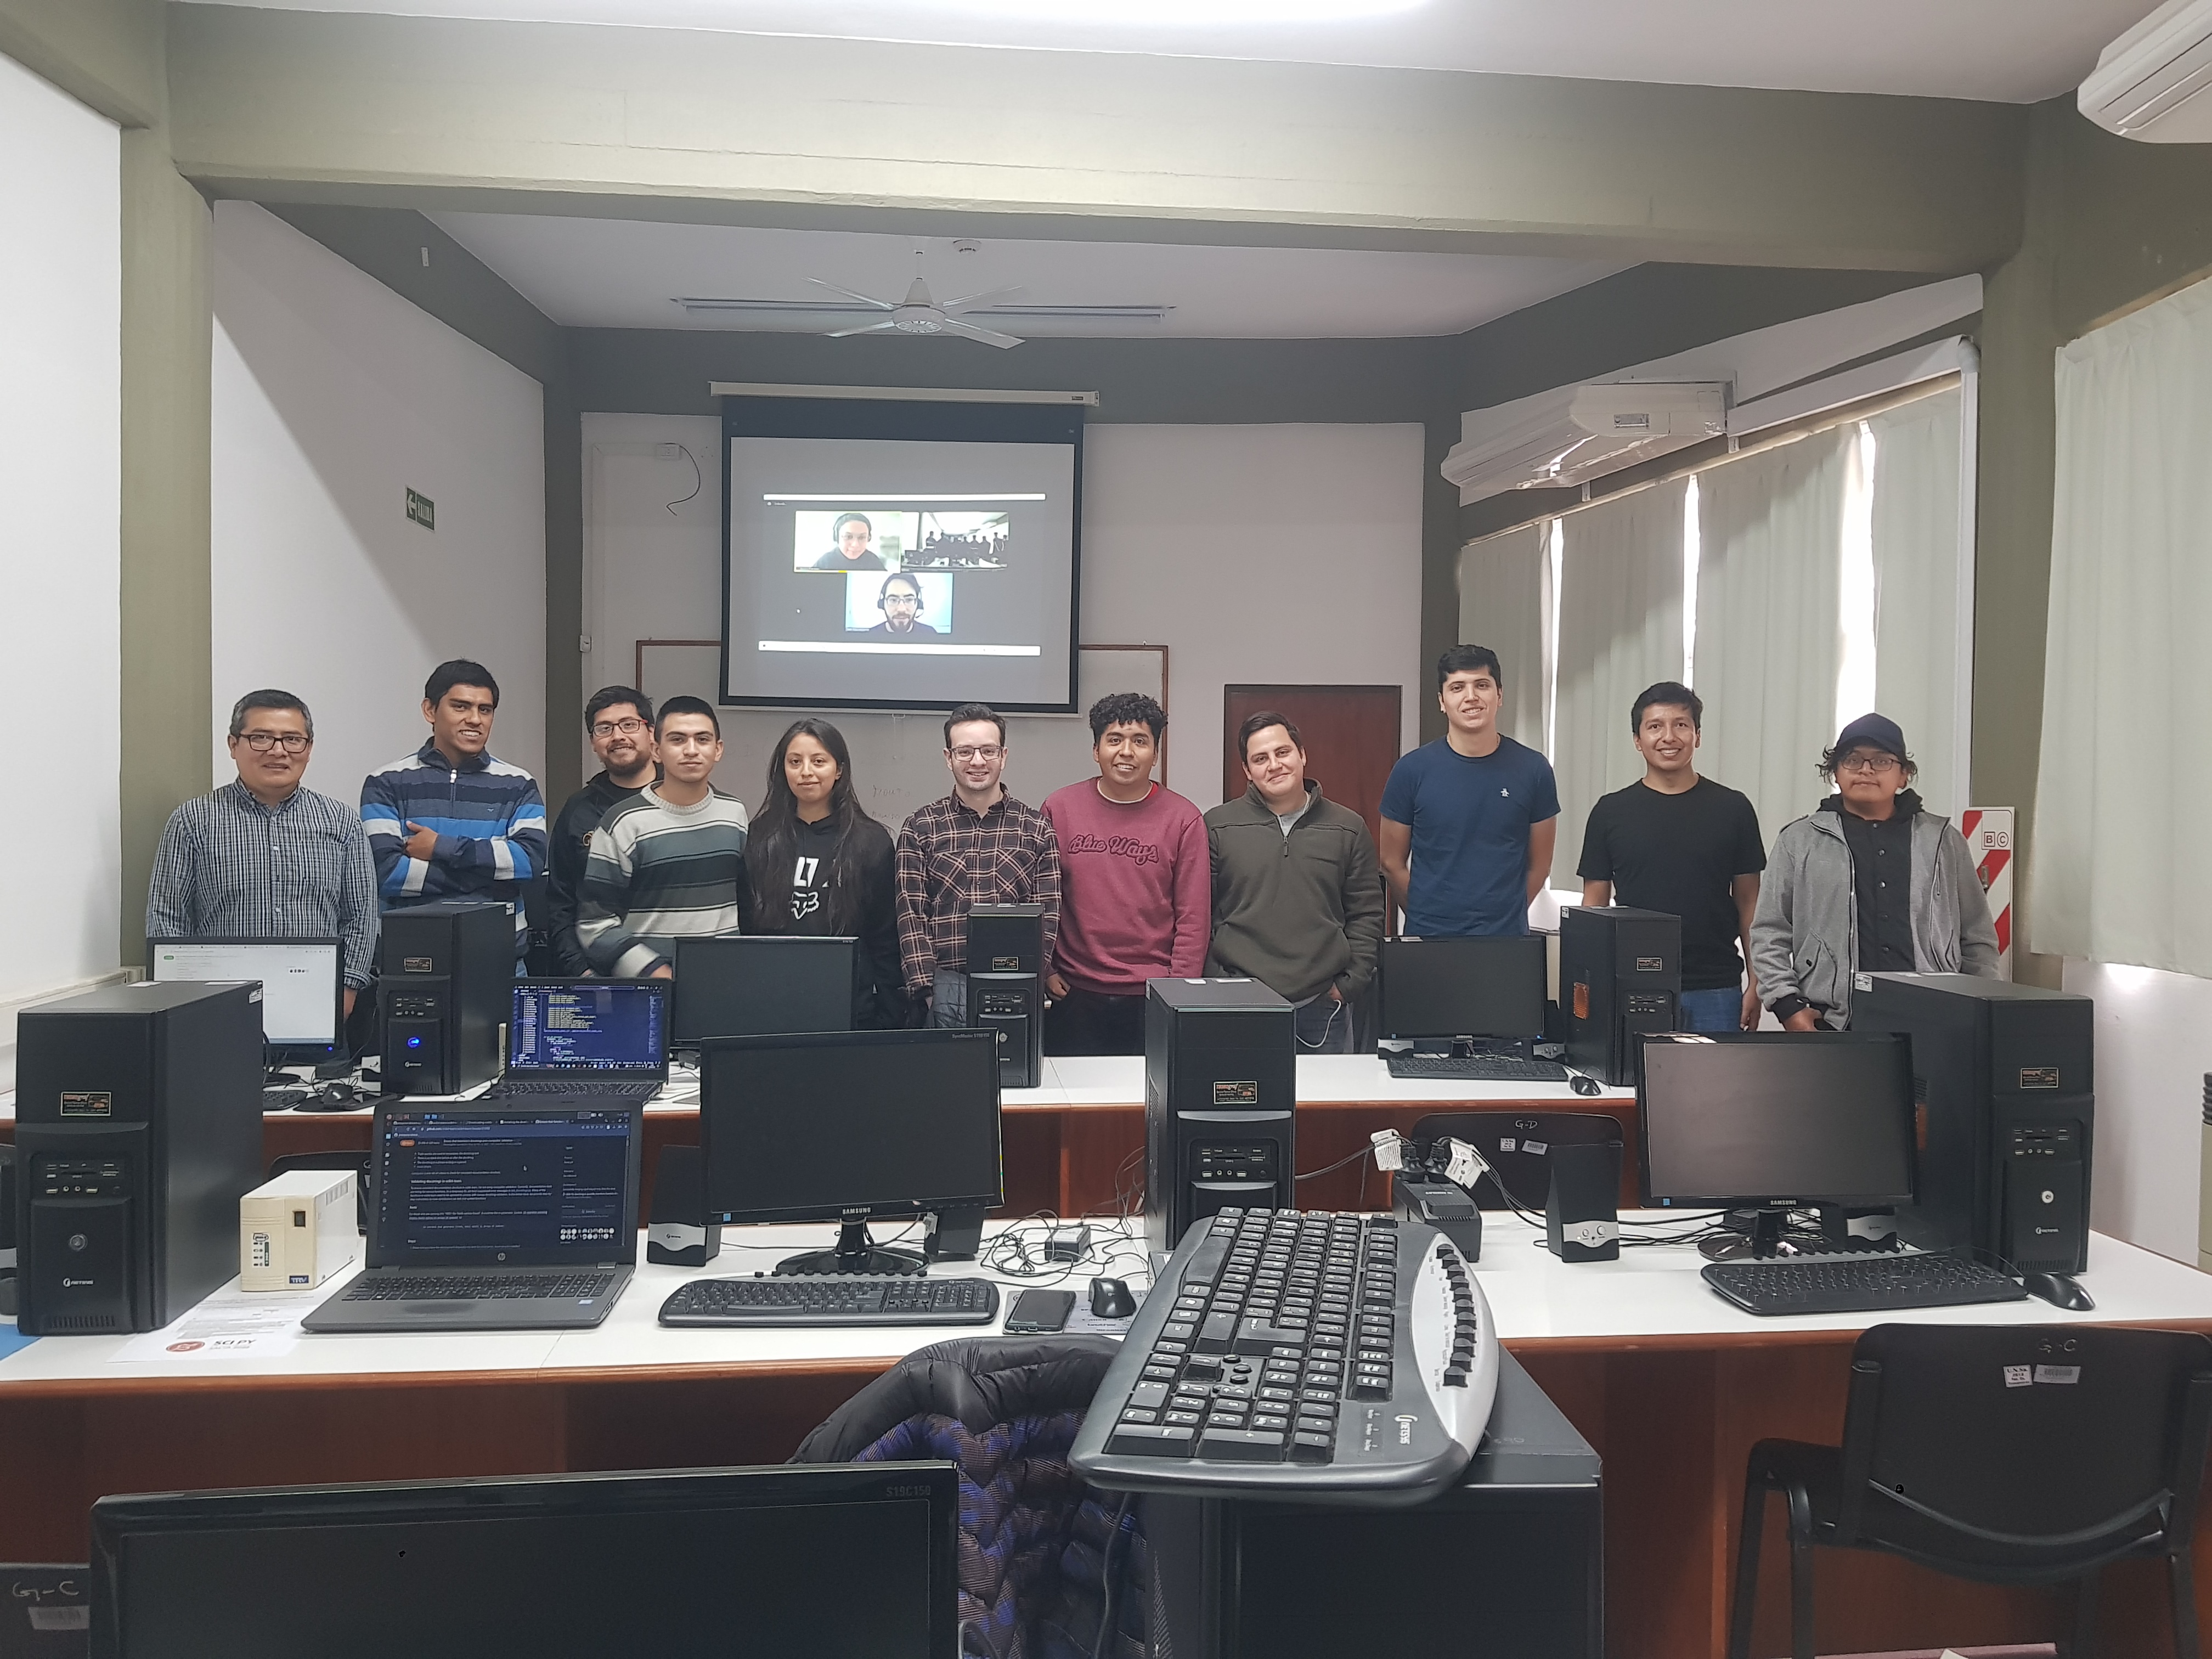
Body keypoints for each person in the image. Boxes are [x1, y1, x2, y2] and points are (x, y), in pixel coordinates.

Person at [1751, 713, 1998, 1031]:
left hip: (1934, 1016)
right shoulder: (1799, 840)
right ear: (1836, 773)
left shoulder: (1943, 841)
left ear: (1903, 775)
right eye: (1853, 760)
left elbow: (1977, 936)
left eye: (1882, 761)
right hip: (1833, 1020)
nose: (1866, 770)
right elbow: (1768, 932)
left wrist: (1982, 1005)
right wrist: (1787, 1005)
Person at [146, 689, 379, 1018]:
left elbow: (361, 915)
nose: (278, 751)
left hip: (317, 1001)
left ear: (309, 748)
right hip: (218, 1006)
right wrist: (180, 1000)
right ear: (233, 745)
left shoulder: (341, 823)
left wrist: (347, 987)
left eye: (292, 740)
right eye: (261, 738)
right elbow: (167, 917)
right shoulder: (193, 820)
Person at [1577, 681, 1767, 1032]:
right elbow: (1595, 907)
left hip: (1716, 985)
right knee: (1633, 1086)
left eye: (1681, 725)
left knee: (1716, 1086)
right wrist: (1593, 985)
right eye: (1655, 727)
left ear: (1697, 735)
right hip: (1633, 982)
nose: (1669, 737)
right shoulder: (1610, 812)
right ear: (1638, 740)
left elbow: (1749, 902)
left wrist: (1757, 981)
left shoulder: (1733, 808)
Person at [1205, 711, 1386, 1054]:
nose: (1274, 765)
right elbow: (1201, 912)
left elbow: (1367, 913)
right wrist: (1219, 981)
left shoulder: (1347, 827)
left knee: (1324, 1106)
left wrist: (1349, 985)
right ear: (1247, 771)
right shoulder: (1218, 826)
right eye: (1260, 759)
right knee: (1245, 1106)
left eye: (1282, 752)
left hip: (1322, 1007)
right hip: (1238, 1004)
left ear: (1302, 755)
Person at [1039, 692, 1209, 1056]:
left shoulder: (1184, 819)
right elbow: (1042, 899)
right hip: (1073, 991)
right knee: (1076, 1105)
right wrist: (1045, 967)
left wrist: (1177, 989)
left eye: (1140, 741)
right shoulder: (1059, 809)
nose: (1127, 752)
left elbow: (1194, 918)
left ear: (1156, 754)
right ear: (1096, 750)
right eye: (1114, 740)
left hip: (1153, 995)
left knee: (1148, 1106)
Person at [362, 659, 548, 965]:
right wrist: (489, 884)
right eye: (460, 707)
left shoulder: (518, 784)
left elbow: (529, 864)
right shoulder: (386, 782)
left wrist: (441, 848)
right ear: (430, 711)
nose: (475, 719)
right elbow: (387, 873)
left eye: (484, 710)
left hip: (499, 958)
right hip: (411, 958)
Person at [894, 702, 1061, 1029]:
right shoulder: (920, 826)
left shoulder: (1036, 829)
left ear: (1004, 755)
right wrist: (929, 992)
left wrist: (1027, 982)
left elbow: (1048, 917)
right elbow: (911, 915)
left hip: (1015, 988)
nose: (978, 761)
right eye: (965, 752)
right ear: (948, 758)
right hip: (941, 990)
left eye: (988, 750)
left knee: (1016, 1080)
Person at [1379, 645, 1560, 936]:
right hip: (1430, 938)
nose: (1471, 697)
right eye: (1457, 687)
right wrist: (1427, 914)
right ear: (1442, 700)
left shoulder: (1533, 769)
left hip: (1506, 941)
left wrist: (1505, 915)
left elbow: (1540, 866)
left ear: (1499, 695)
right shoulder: (1411, 771)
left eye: (1482, 685)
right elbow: (1390, 862)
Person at [743, 718, 906, 1028]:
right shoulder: (759, 838)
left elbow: (885, 937)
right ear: (783, 770)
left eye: (819, 761)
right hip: (774, 1005)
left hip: (852, 1010)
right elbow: (748, 929)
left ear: (839, 770)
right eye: (795, 762)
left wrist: (890, 1015)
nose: (806, 771)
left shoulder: (870, 841)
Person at [577, 697, 753, 979]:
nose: (691, 750)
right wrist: (653, 971)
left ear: (718, 750)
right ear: (657, 750)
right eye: (678, 740)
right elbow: (595, 924)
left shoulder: (734, 814)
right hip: (649, 988)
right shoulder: (622, 823)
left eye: (703, 739)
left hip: (724, 982)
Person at [543, 686, 656, 975]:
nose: (618, 736)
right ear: (594, 743)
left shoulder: (681, 800)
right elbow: (561, 903)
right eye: (604, 729)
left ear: (651, 734)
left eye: (629, 725)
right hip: (598, 973)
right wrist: (581, 972)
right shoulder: (578, 811)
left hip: (673, 967)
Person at [862, 571, 941, 638]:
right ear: (882, 604)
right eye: (893, 600)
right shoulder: (871, 636)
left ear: (918, 604)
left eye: (909, 600)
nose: (901, 609)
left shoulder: (930, 634)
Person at [812, 511, 885, 573]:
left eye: (862, 537)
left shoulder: (874, 562)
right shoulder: (825, 562)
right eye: (848, 537)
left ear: (869, 538)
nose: (855, 545)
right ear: (837, 538)